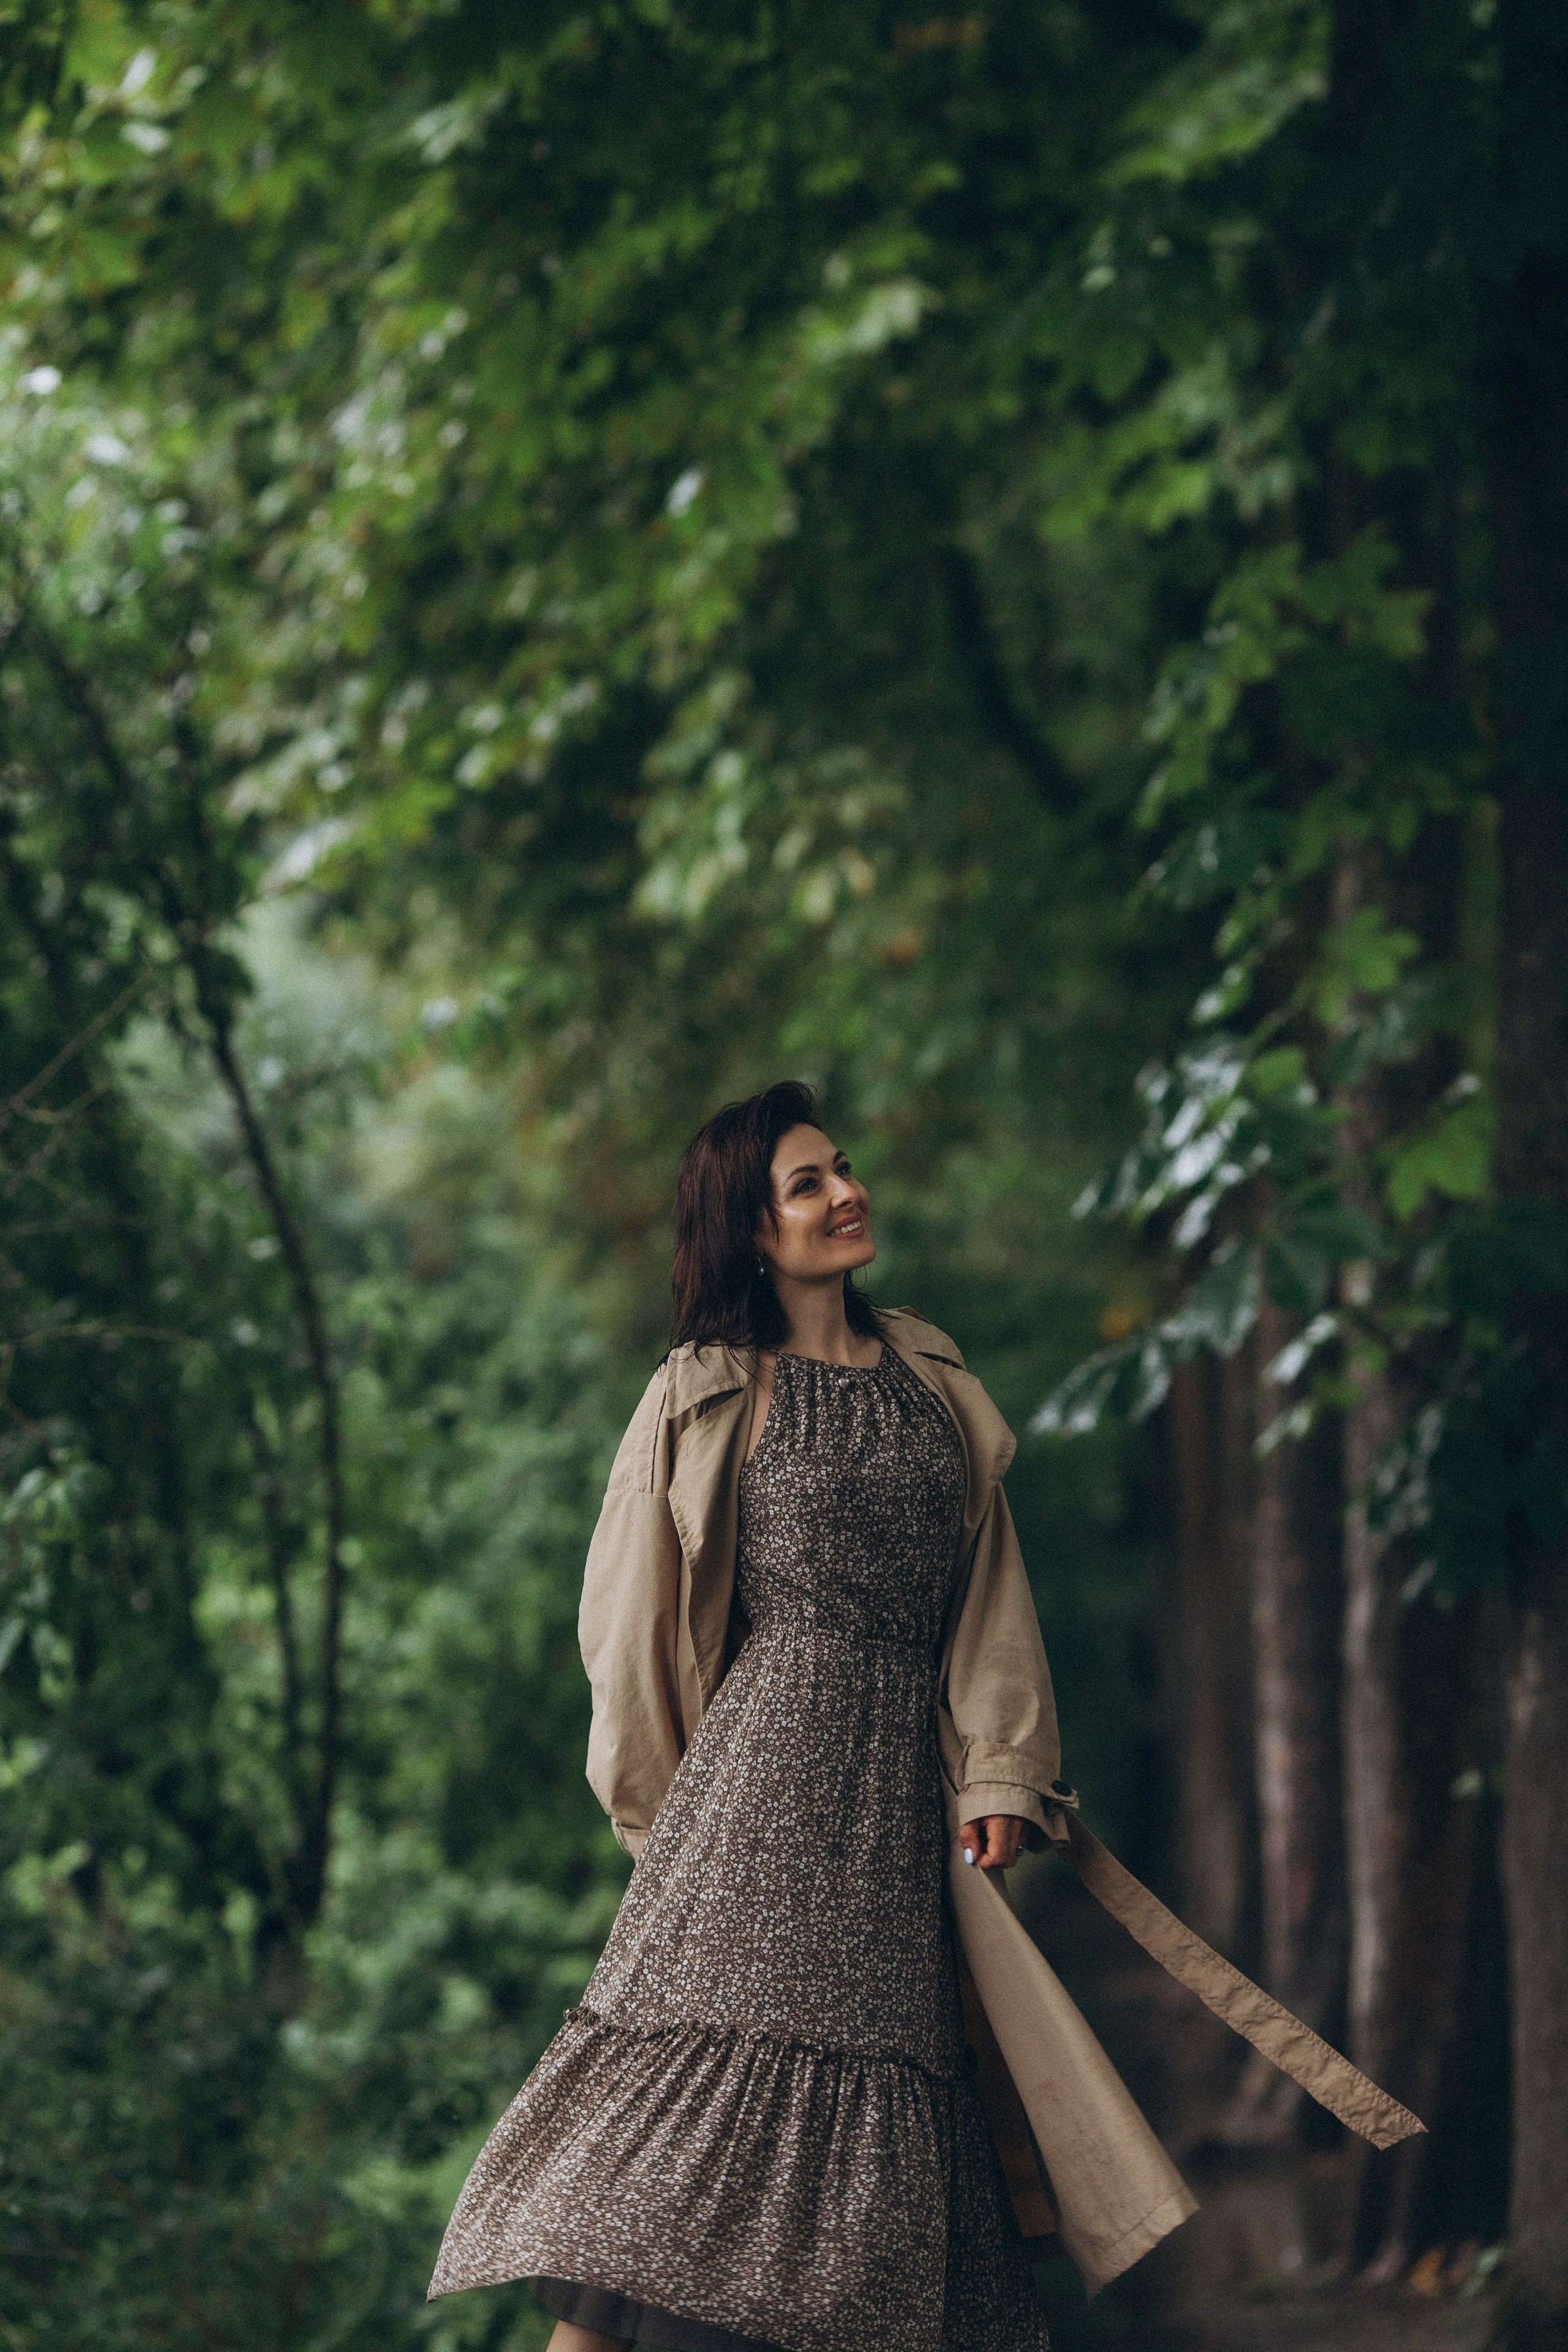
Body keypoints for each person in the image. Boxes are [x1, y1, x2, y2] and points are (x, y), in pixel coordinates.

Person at [428, 1082, 1422, 2350]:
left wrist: (1000, 1773)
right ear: (749, 1229)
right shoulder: (705, 1386)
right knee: (648, 2217)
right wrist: (669, 1837)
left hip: (895, 1818)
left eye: (840, 1168)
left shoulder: (925, 1373)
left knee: (873, 2200)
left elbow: (986, 1598)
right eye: (807, 1183)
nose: (846, 1192)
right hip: (744, 1820)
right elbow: (626, 1633)